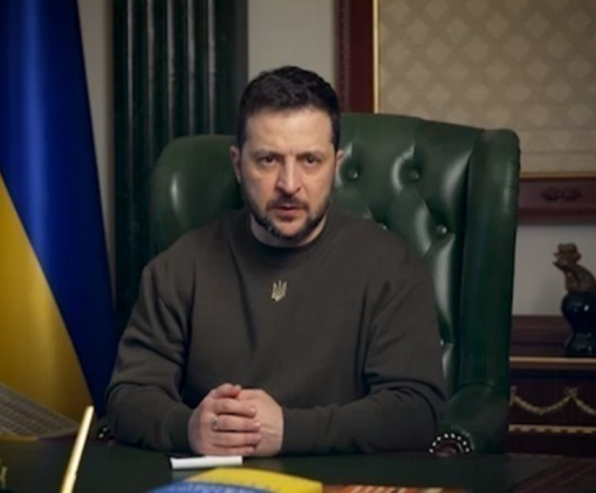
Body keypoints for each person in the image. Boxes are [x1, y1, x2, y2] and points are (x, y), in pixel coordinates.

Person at [105, 66, 447, 456]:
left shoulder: (392, 267)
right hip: (218, 479)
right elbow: (128, 396)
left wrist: (288, 430)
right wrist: (188, 428)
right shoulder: (180, 267)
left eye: (310, 160)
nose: (289, 184)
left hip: (342, 479)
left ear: (335, 166)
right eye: (268, 160)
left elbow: (417, 411)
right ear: (238, 165)